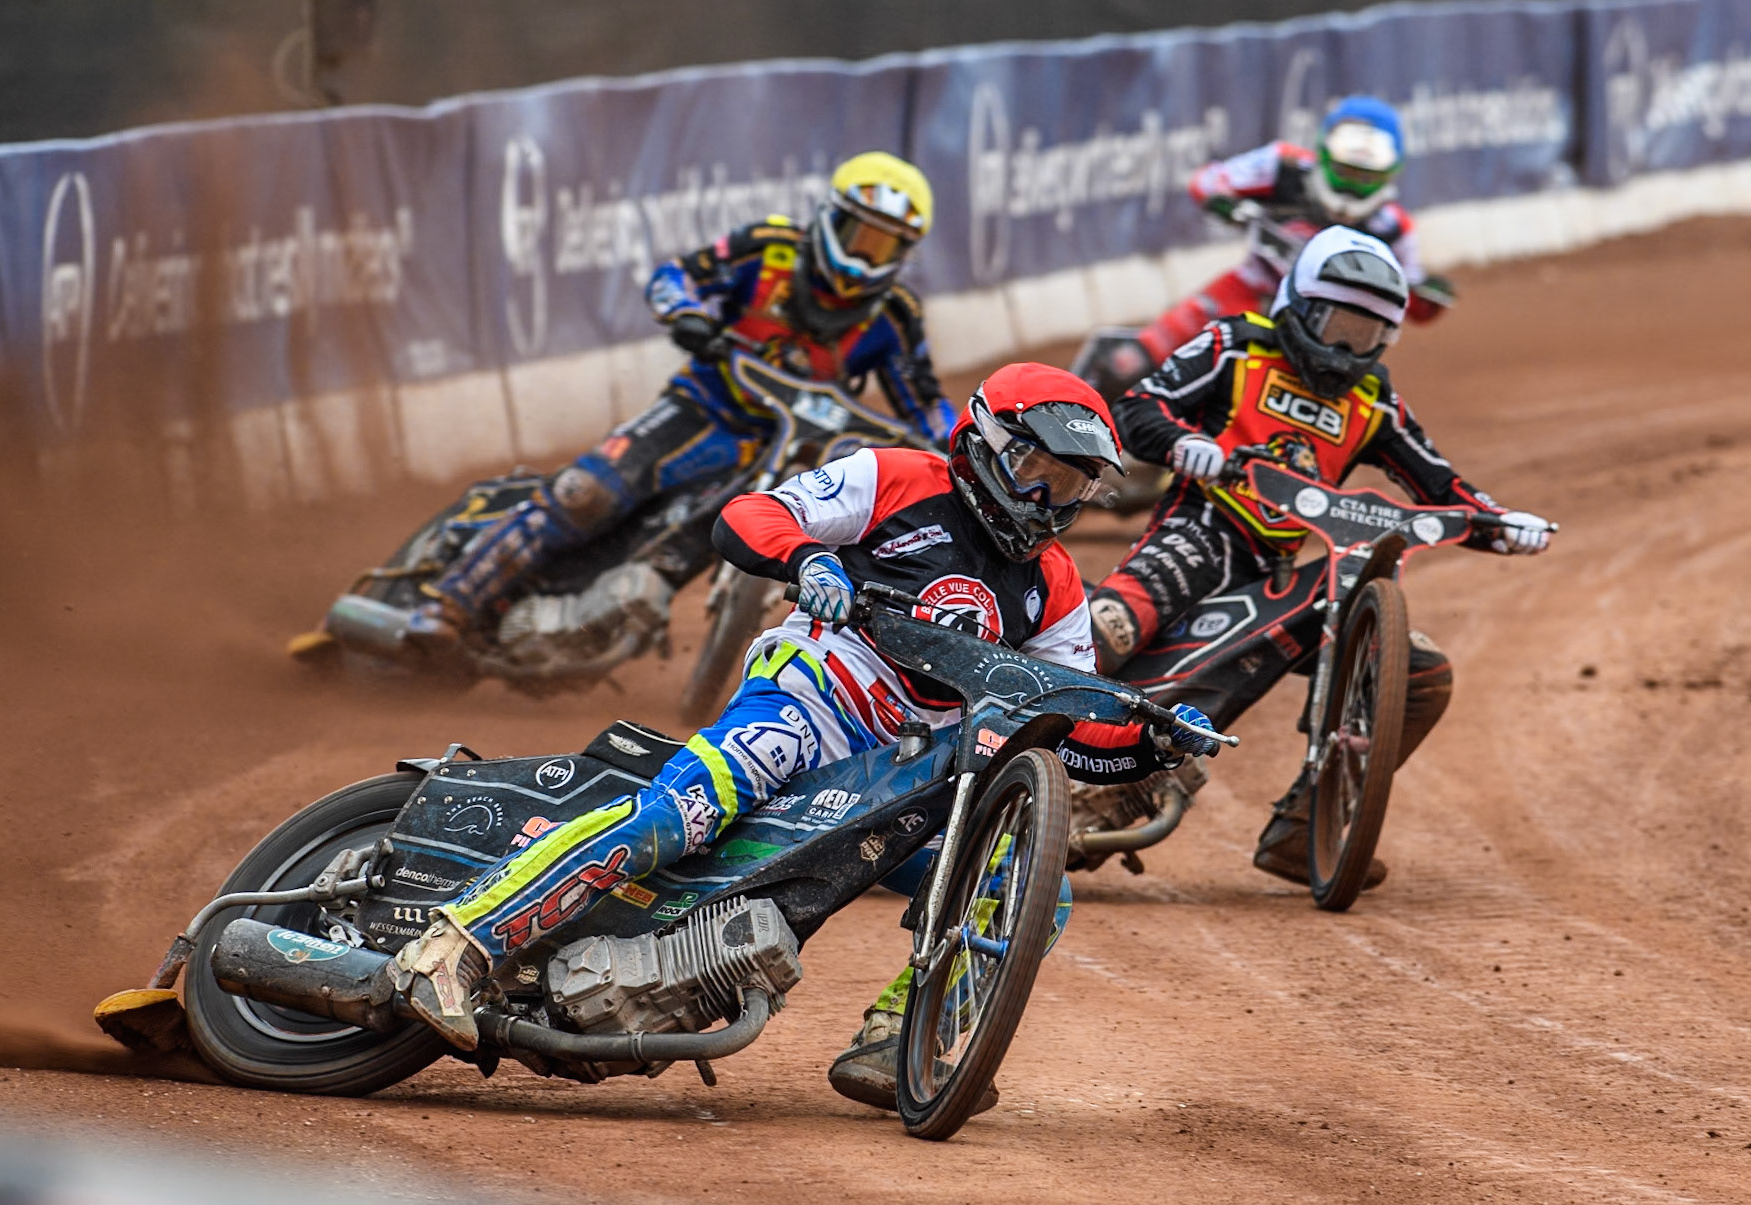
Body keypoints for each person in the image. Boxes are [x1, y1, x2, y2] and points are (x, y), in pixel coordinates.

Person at [386, 363, 1214, 1114]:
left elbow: (1063, 723)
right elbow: (750, 515)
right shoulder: (895, 477)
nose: (1050, 501)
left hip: (910, 772)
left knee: (1040, 890)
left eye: (1071, 484)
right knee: (680, 814)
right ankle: (453, 943)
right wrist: (810, 560)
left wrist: (1156, 746)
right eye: (1037, 472)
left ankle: (898, 1039)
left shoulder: (1057, 581)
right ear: (987, 444)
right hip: (812, 695)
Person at [1085, 226, 1551, 886]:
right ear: (1298, 303)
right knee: (1104, 630)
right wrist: (1186, 441)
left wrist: (1501, 522)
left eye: (1364, 336)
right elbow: (1136, 408)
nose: (1343, 349)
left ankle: (1307, 828)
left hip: (1284, 571)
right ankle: (986, 763)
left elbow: (1440, 486)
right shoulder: (1235, 345)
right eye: (1336, 325)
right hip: (1200, 531)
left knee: (1418, 672)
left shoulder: (1374, 399)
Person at [404, 151, 955, 648]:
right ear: (831, 218)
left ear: (904, 252)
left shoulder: (895, 315)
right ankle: (448, 603)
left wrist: (961, 449)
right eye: (859, 234)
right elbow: (676, 277)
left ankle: (586, 629)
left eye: (884, 244)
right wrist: (688, 316)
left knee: (687, 552)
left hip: (781, 448)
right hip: (699, 408)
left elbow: (924, 404)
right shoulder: (770, 248)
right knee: (584, 494)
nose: (865, 255)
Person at [1114, 95, 1455, 382]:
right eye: (1346, 171)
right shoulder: (1283, 165)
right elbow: (1207, 180)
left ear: (1389, 174)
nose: (1353, 185)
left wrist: (1429, 298)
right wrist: (1223, 201)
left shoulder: (1393, 226)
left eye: (1365, 176)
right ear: (1323, 155)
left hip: (1317, 327)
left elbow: (1407, 297)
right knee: (1131, 362)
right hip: (1248, 287)